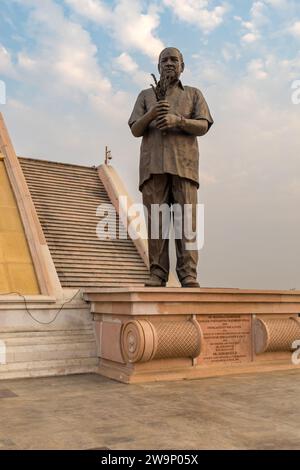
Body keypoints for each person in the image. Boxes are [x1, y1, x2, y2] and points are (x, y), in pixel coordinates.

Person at [128, 47, 213, 287]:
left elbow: (203, 125)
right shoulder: (146, 95)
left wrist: (179, 121)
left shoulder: (194, 94)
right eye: (164, 60)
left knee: (186, 222)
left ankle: (188, 274)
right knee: (156, 222)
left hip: (184, 165)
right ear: (157, 67)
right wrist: (152, 113)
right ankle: (157, 272)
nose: (168, 63)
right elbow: (135, 129)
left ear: (182, 66)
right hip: (153, 166)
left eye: (174, 59)